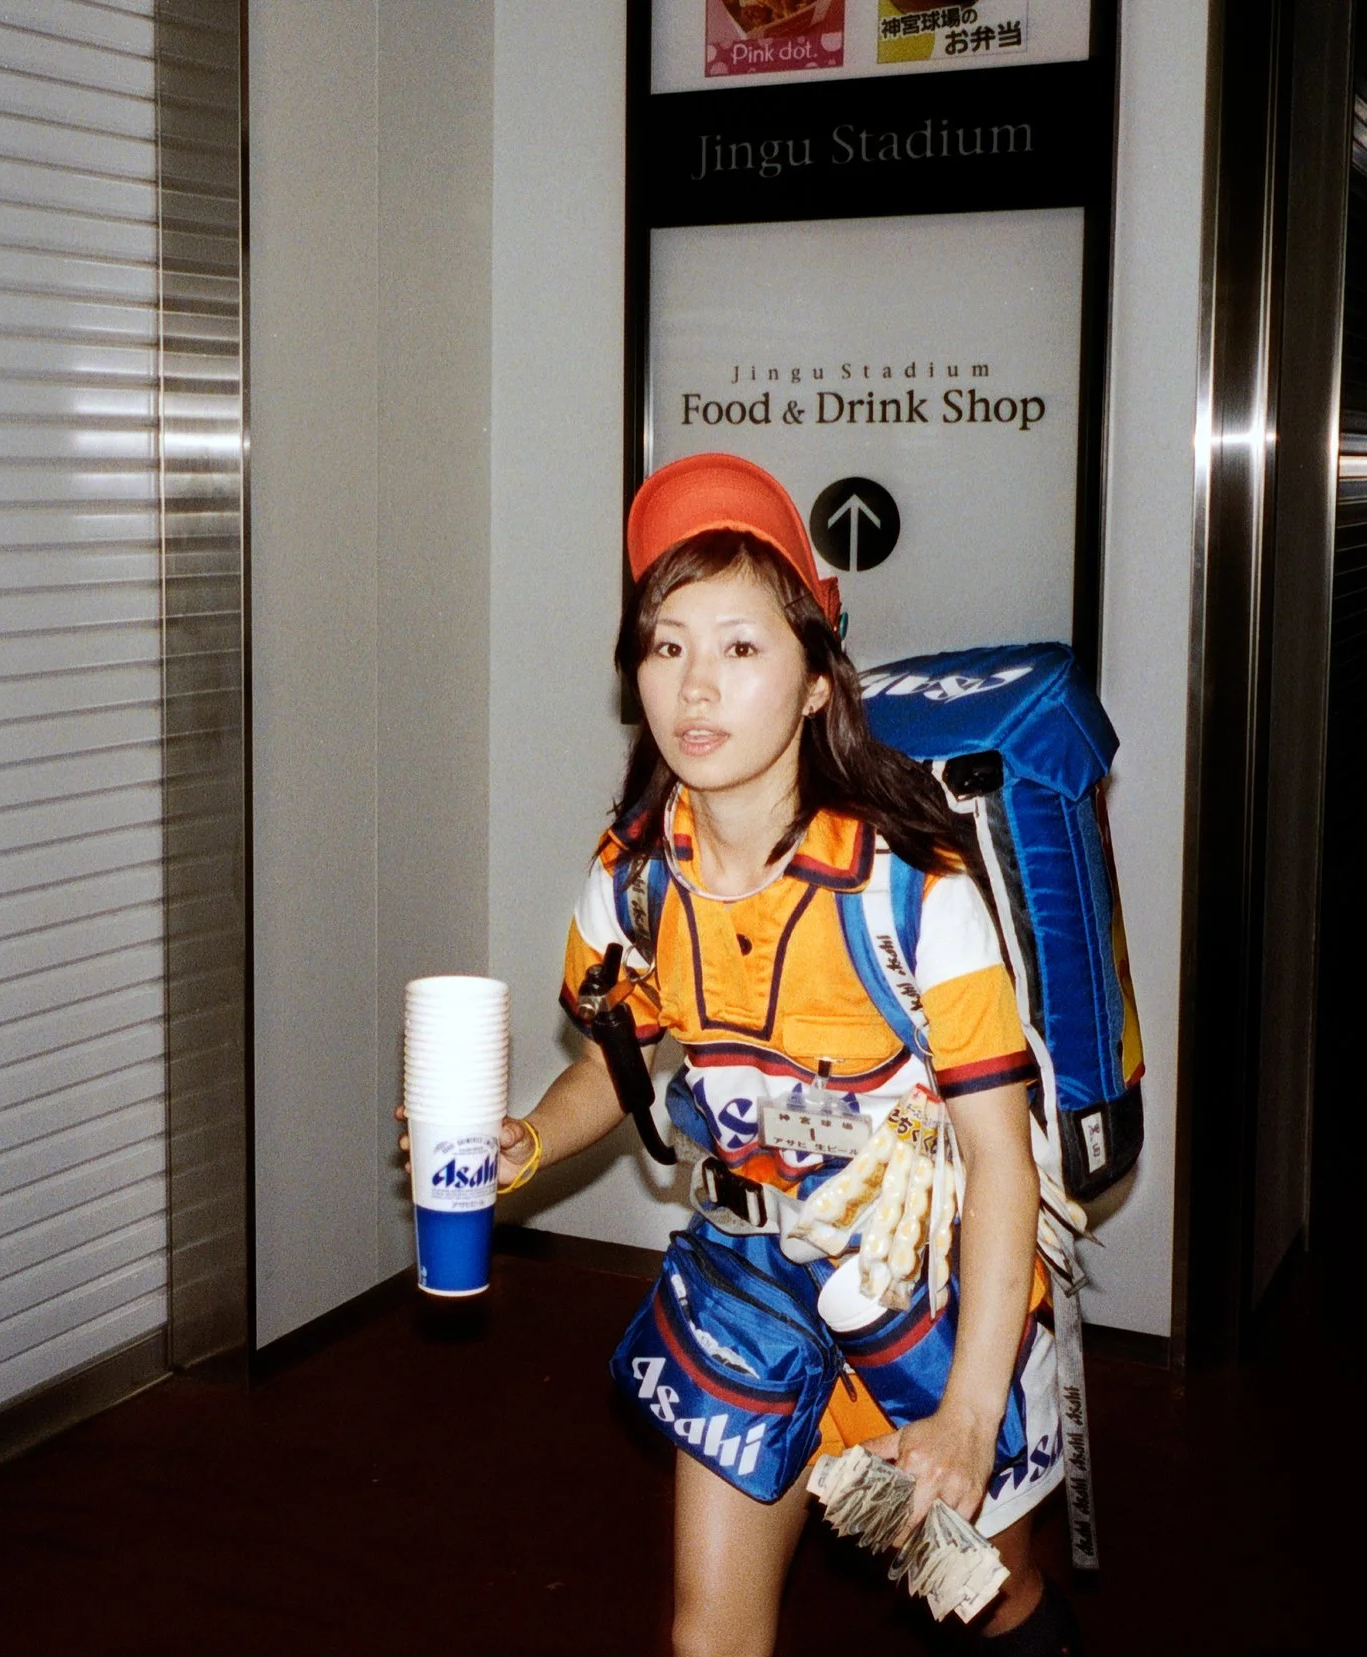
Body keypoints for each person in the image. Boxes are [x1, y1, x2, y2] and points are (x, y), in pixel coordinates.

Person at [488, 454, 1078, 1657]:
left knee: (984, 1599)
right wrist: (531, 1138)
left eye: (742, 647)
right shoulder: (635, 879)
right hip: (751, 1280)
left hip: (922, 1296)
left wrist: (968, 1412)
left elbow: (999, 1162)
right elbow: (616, 1058)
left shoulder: (915, 893)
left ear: (816, 679)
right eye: (665, 644)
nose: (694, 684)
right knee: (710, 1634)